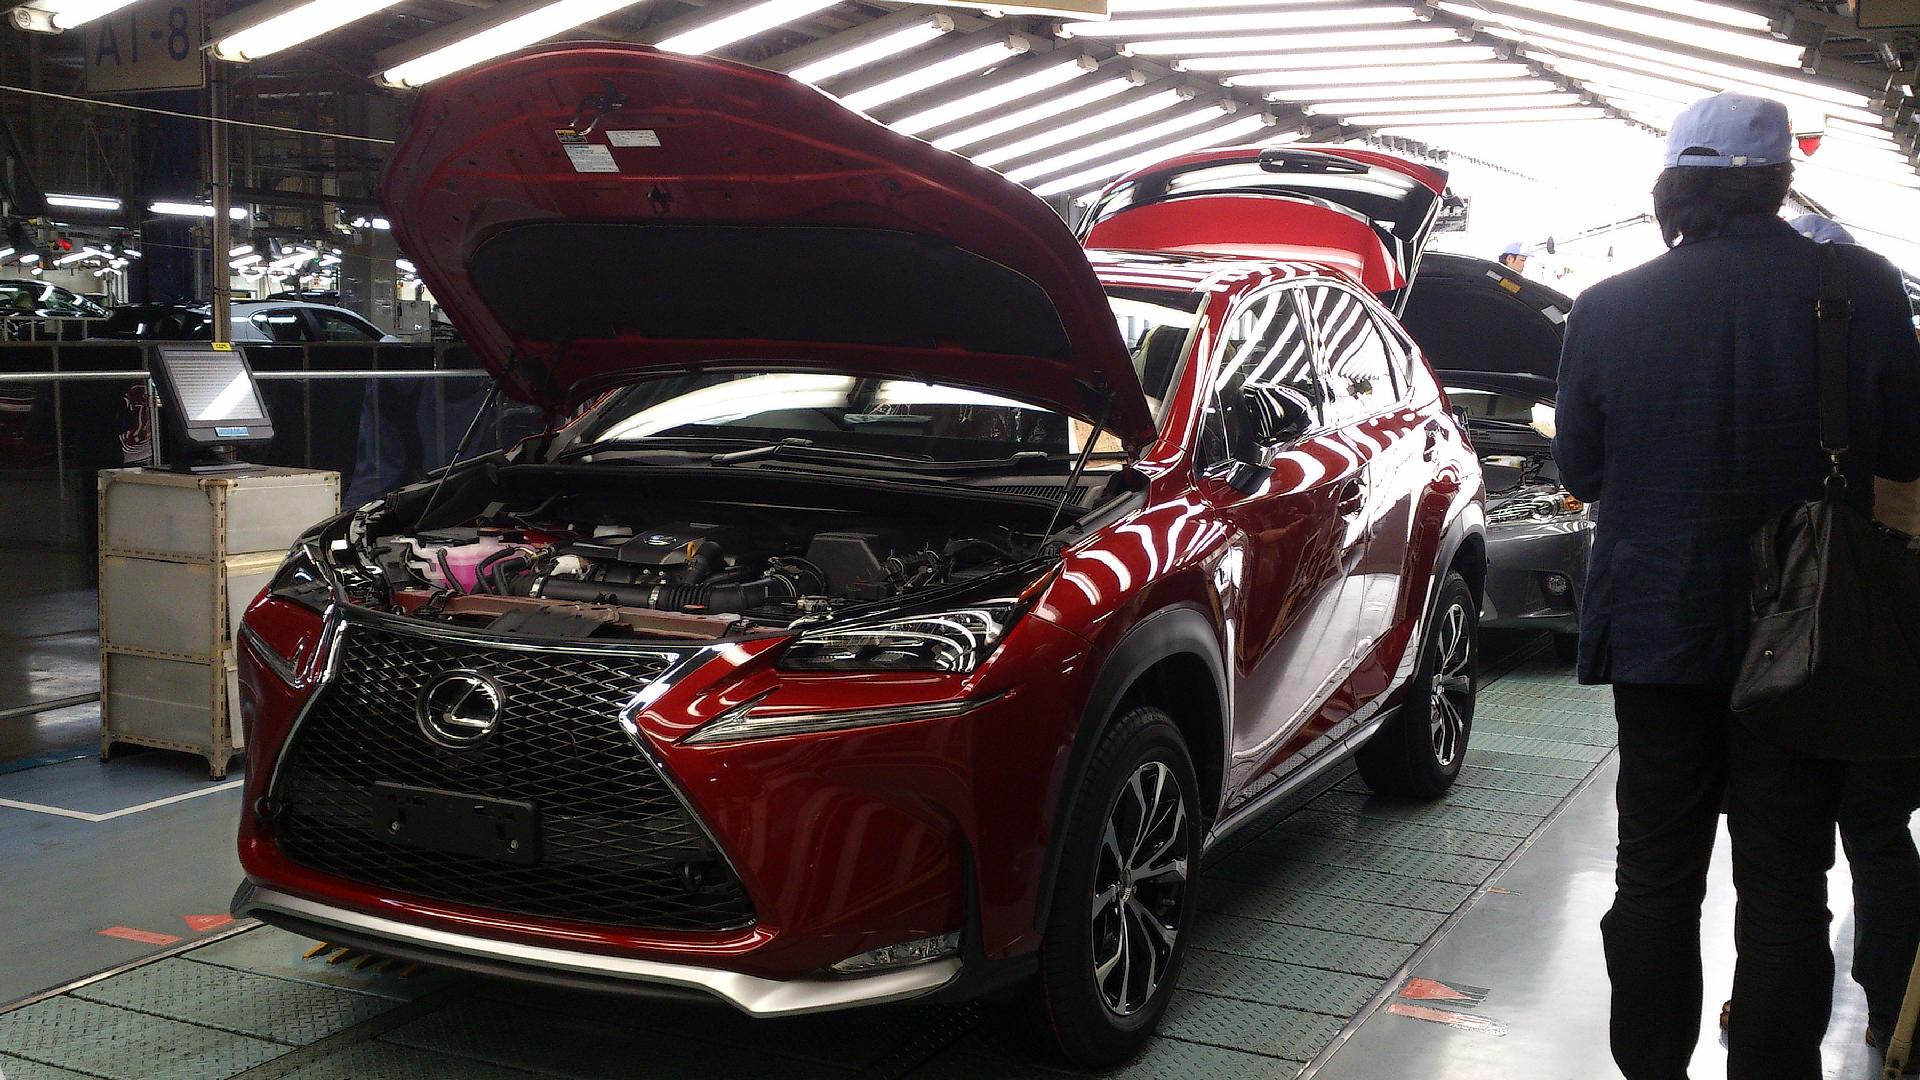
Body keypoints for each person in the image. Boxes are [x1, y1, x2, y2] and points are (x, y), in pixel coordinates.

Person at [1552, 92, 1920, 1080]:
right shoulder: (1862, 290)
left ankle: (1653, 1069)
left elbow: (1583, 473)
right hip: (1810, 641)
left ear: (1674, 184)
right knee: (1788, 880)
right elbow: (1902, 451)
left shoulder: (1606, 307)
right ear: (1779, 181)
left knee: (1656, 873)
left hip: (1659, 636)